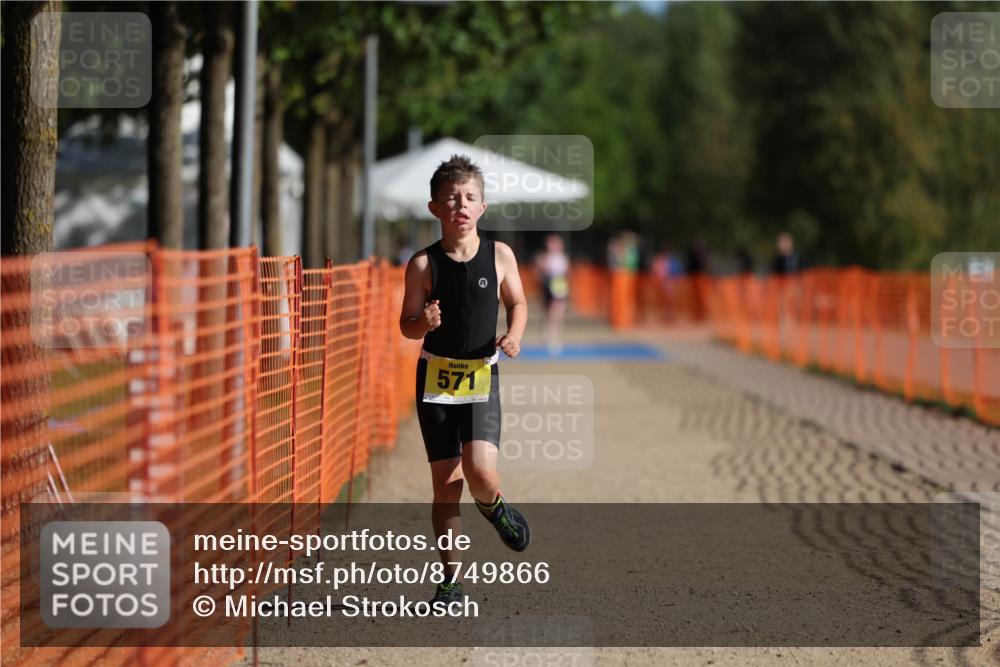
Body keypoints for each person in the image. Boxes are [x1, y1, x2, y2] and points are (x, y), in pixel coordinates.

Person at [399, 155, 531, 606]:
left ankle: (495, 508)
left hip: (480, 374)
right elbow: (406, 325)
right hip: (435, 376)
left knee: (479, 472)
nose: (461, 204)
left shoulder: (500, 255)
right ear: (435, 207)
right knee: (446, 485)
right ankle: (451, 581)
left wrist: (513, 336)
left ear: (482, 207)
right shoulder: (422, 264)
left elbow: (518, 303)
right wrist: (424, 320)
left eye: (470, 197)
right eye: (452, 197)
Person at [535, 234, 570, 355]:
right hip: (547, 286)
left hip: (558, 287)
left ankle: (555, 338)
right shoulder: (543, 257)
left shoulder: (562, 258)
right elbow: (539, 273)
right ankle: (549, 335)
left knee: (556, 313)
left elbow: (565, 274)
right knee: (548, 313)